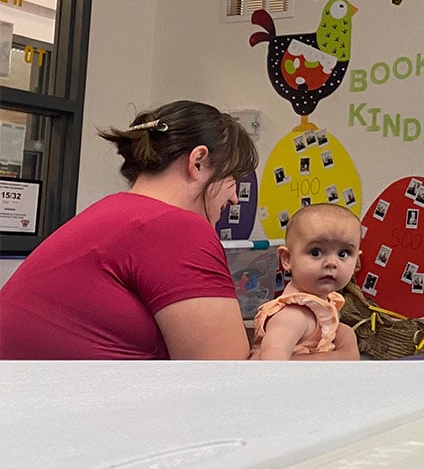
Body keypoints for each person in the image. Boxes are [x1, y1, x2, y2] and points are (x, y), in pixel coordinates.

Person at [0, 100, 258, 359]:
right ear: (198, 161)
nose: (235, 197)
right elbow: (226, 377)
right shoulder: (176, 228)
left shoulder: (112, 212)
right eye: (232, 178)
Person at [251, 203, 360, 360]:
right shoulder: (293, 315)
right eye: (316, 252)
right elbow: (272, 363)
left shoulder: (324, 308)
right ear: (287, 259)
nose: (332, 262)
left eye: (343, 253)